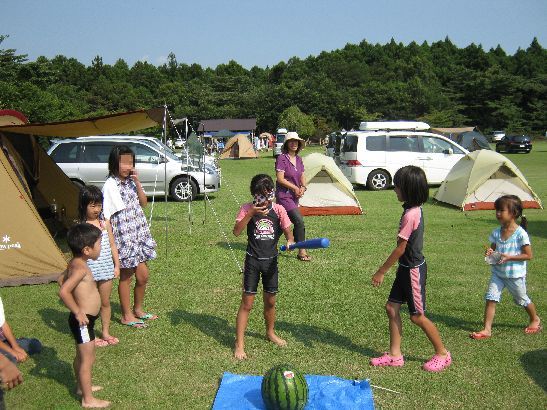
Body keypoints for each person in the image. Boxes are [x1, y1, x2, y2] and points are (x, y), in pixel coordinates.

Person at [370, 166, 452, 372]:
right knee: (391, 308)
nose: (394, 189)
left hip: (413, 270)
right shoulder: (411, 209)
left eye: (397, 185)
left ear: (408, 189)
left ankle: (442, 353)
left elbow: (400, 249)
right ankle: (395, 355)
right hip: (405, 268)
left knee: (417, 316)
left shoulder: (411, 215)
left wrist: (381, 271)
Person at [233, 174, 294, 360]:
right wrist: (251, 213)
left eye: (268, 195)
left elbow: (288, 234)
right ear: (254, 195)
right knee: (247, 303)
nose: (264, 200)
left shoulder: (279, 210)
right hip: (253, 261)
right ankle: (239, 343)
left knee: (270, 302)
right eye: (260, 196)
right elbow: (236, 232)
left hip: (271, 262)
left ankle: (270, 332)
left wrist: (291, 241)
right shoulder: (246, 209)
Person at [470, 195, 541, 339]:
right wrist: (490, 253)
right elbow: (492, 254)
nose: (497, 214)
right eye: (496, 210)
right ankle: (487, 329)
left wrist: (509, 257)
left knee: (522, 300)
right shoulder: (496, 232)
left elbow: (528, 255)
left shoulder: (521, 234)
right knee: (491, 298)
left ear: (514, 213)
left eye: (501, 210)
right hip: (498, 274)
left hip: (514, 275)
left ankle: (535, 319)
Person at [102, 145, 157, 329]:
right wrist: (111, 243)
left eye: (130, 162)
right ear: (114, 163)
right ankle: (126, 315)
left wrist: (138, 182)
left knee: (143, 276)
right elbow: (107, 216)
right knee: (126, 276)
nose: (127, 166)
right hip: (124, 237)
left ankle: (138, 309)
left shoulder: (132, 182)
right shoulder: (110, 185)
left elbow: (143, 203)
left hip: (139, 233)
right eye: (123, 163)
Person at [59, 223, 111, 408]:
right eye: (99, 244)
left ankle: (82, 387)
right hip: (83, 321)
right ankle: (87, 399)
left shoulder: (75, 263)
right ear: (87, 250)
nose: (101, 248)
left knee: (81, 357)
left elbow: (61, 280)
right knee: (88, 360)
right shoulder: (81, 268)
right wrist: (78, 310)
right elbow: (64, 291)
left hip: (85, 320)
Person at [78, 185, 120, 346]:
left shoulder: (104, 223)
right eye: (92, 205)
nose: (96, 209)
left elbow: (112, 245)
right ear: (84, 206)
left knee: (105, 302)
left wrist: (117, 265)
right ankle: (90, 335)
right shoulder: (81, 226)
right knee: (89, 305)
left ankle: (105, 332)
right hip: (89, 272)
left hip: (106, 269)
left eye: (99, 205)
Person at [275, 132, 310, 261]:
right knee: (299, 221)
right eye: (291, 141)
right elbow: (280, 179)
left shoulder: (299, 159)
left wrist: (303, 187)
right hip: (284, 196)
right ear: (287, 144)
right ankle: (302, 251)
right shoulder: (281, 158)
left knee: (281, 223)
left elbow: (302, 176)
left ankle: (269, 246)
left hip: (295, 197)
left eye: (296, 141)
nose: (294, 143)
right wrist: (295, 188)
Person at [0, 296, 42, 363]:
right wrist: (12, 352)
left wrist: (15, 346)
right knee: (12, 359)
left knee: (35, 345)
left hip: (3, 341)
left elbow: (3, 323)